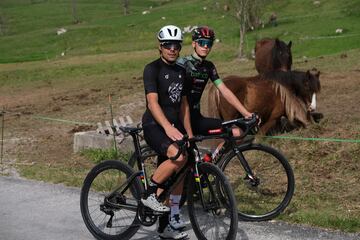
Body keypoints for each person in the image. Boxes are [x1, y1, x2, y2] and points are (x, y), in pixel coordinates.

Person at [140, 25, 192, 240]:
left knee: (181, 167)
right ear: (160, 47)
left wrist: (189, 134)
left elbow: (184, 106)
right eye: (167, 45)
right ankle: (150, 194)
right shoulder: (152, 69)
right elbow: (152, 103)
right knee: (177, 156)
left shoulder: (182, 71)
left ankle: (167, 225)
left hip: (172, 128)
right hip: (154, 125)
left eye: (176, 45)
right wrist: (168, 128)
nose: (172, 49)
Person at [177, 26, 253, 138]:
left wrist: (246, 113)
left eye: (209, 43)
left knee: (237, 133)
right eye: (202, 42)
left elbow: (224, 90)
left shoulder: (209, 67)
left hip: (196, 118)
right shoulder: (182, 63)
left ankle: (221, 156)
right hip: (179, 119)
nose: (205, 46)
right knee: (184, 155)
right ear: (194, 44)